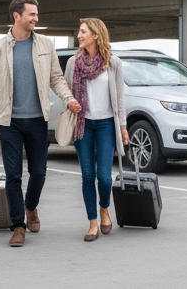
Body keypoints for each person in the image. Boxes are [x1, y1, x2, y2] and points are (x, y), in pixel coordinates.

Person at [0, 0, 81, 248]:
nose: (36, 18)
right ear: (17, 16)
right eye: (31, 14)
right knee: (13, 176)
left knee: (39, 172)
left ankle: (31, 206)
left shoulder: (45, 44)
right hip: (9, 121)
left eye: (36, 14)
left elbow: (56, 78)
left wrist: (68, 99)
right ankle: (18, 226)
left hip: (37, 120)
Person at [64, 18, 129, 242]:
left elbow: (120, 97)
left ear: (96, 35)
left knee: (104, 177)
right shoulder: (73, 62)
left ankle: (104, 209)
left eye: (83, 32)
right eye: (79, 31)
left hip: (105, 124)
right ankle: (92, 222)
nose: (79, 36)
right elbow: (66, 91)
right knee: (87, 176)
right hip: (82, 124)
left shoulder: (113, 63)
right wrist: (70, 102)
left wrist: (123, 127)